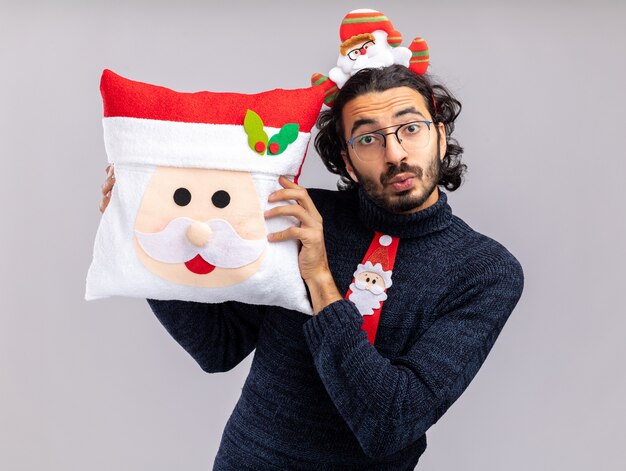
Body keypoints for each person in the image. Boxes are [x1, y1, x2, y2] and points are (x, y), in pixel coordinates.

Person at [99, 64, 524, 470]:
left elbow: (390, 423)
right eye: (368, 139)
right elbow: (218, 347)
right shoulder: (300, 214)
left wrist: (320, 278)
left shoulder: (485, 271)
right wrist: (151, 247)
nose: (395, 153)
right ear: (347, 159)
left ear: (441, 135)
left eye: (411, 128)